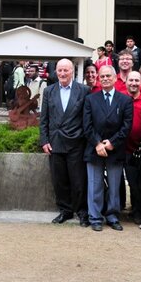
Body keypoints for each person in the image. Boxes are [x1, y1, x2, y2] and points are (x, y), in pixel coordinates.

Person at [40, 59, 90, 227]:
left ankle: (82, 212)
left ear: (72, 72)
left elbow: (86, 118)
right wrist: (44, 140)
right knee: (59, 180)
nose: (62, 73)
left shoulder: (83, 90)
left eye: (65, 70)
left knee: (78, 180)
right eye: (59, 70)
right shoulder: (48, 91)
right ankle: (65, 211)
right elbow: (44, 119)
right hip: (55, 143)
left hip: (76, 142)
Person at [82, 65, 133, 232]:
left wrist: (111, 143)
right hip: (94, 149)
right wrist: (97, 143)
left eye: (108, 76)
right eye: (102, 76)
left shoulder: (125, 100)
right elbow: (87, 125)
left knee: (114, 186)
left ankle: (112, 216)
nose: (104, 78)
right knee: (94, 185)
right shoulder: (90, 99)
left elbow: (126, 126)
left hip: (115, 149)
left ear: (115, 78)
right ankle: (95, 217)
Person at [124, 70, 141, 225]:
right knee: (132, 182)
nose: (134, 83)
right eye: (131, 80)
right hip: (124, 148)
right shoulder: (120, 98)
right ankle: (134, 209)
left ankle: (140, 211)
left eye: (137, 81)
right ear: (126, 81)